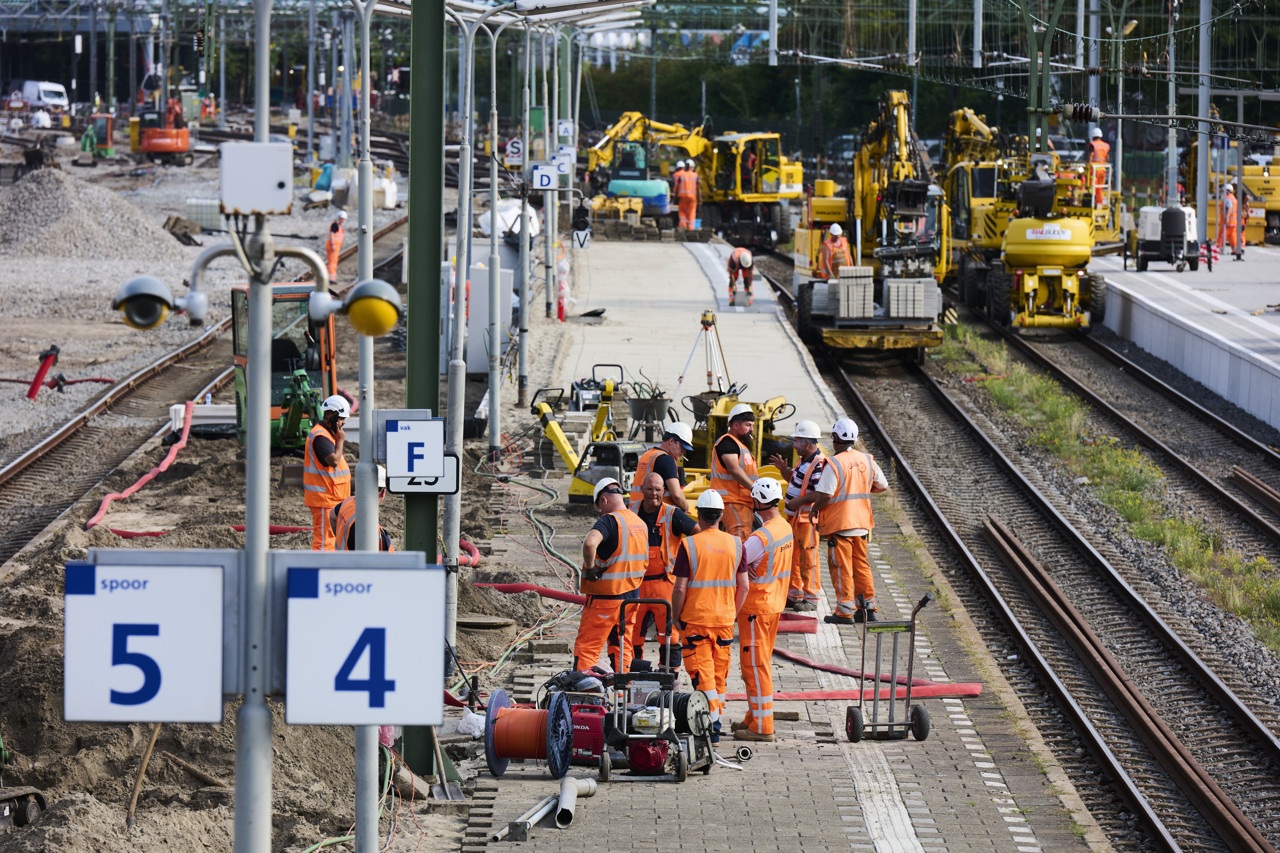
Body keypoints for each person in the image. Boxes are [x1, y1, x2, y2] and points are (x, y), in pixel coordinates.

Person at [671, 490, 747, 742]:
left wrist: (675, 616)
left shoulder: (689, 545)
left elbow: (680, 587)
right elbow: (744, 586)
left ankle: (711, 725)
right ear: (722, 515)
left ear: (698, 515)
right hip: (724, 621)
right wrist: (731, 614)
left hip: (695, 621)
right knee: (719, 673)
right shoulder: (736, 544)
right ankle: (714, 720)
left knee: (701, 673)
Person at [732, 478, 793, 743]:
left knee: (755, 667)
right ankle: (753, 716)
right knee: (759, 665)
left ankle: (762, 726)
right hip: (773, 605)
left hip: (756, 608)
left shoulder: (762, 536)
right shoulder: (784, 528)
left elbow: (737, 560)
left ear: (758, 502)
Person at [812, 418, 888, 624]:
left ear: (836, 439)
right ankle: (868, 609)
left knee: (841, 567)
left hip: (840, 524)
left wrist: (814, 509)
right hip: (862, 523)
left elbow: (825, 495)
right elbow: (882, 485)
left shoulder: (834, 463)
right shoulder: (866, 460)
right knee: (861, 565)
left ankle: (844, 611)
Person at [574, 477, 649, 673]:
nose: (601, 510)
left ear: (604, 500)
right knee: (622, 646)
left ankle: (584, 692)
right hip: (631, 598)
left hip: (605, 600)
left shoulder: (609, 520)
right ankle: (623, 696)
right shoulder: (639, 523)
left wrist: (590, 568)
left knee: (587, 649)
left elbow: (590, 543)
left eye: (600, 506)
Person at [628, 472, 697, 668]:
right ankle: (635, 675)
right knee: (632, 635)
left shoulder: (672, 514)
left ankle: (669, 678)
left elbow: (699, 535)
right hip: (636, 585)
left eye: (658, 490)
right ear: (642, 489)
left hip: (665, 585)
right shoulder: (630, 511)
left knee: (671, 637)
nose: (654, 494)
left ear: (664, 491)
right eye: (650, 489)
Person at [770, 419, 827, 612]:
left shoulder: (819, 464)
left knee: (808, 558)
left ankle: (811, 597)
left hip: (807, 520)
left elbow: (820, 493)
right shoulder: (804, 461)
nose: (793, 445)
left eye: (797, 441)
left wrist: (799, 502)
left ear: (807, 443)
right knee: (794, 557)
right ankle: (795, 594)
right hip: (796, 519)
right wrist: (784, 470)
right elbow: (795, 482)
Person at [303, 395, 352, 551]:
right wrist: (341, 441)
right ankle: (320, 570)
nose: (344, 422)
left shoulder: (327, 434)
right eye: (342, 419)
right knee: (325, 541)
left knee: (334, 539)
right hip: (325, 499)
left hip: (333, 498)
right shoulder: (321, 437)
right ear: (332, 416)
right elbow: (333, 461)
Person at [709, 403, 759, 540]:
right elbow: (734, 469)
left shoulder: (739, 445)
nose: (751, 429)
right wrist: (755, 488)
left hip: (741, 502)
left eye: (752, 426)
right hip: (732, 502)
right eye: (748, 425)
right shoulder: (727, 443)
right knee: (739, 543)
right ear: (735, 425)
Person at [629, 422, 694, 511]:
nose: (683, 451)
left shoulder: (647, 455)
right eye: (682, 446)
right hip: (656, 516)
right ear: (671, 441)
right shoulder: (667, 460)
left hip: (636, 511)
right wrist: (686, 508)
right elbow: (677, 495)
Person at [330, 465, 394, 551]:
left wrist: (340, 538)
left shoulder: (348, 502)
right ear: (383, 492)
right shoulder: (368, 524)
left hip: (343, 560)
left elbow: (331, 515)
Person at [1087, 128, 1111, 206]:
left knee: (1092, 188)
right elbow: (1107, 158)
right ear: (1100, 136)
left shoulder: (1092, 144)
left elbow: (1090, 156)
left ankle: (1091, 203)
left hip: (1094, 170)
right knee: (1100, 188)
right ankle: (1099, 204)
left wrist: (1088, 164)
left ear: (1093, 136)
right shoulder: (1106, 145)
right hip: (1103, 170)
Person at [673, 159, 699, 230]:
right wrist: (699, 199)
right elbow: (698, 188)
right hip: (693, 198)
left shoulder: (681, 175)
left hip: (682, 197)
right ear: (692, 167)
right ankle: (690, 228)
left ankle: (683, 227)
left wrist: (675, 198)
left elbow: (677, 187)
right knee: (691, 213)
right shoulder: (695, 175)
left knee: (682, 211)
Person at [325, 210, 348, 281]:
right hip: (333, 246)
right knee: (332, 262)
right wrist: (333, 245)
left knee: (333, 262)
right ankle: (331, 277)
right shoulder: (335, 225)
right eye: (342, 219)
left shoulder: (339, 226)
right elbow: (332, 234)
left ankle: (331, 277)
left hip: (335, 247)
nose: (343, 220)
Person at [1222, 179, 1241, 255]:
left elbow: (1229, 208)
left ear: (1227, 191)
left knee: (1222, 236)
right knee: (1232, 237)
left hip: (1228, 222)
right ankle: (1235, 249)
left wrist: (1227, 217)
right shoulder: (1233, 198)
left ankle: (1219, 249)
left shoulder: (1228, 198)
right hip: (1233, 222)